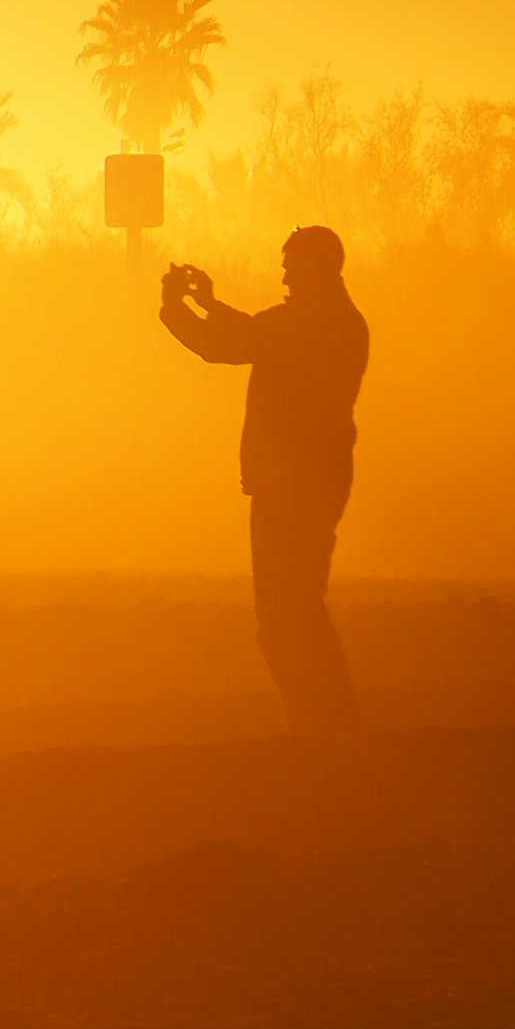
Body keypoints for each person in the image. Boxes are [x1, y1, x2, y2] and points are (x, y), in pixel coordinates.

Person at [160, 225, 370, 734]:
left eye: (291, 266)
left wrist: (174, 309)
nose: (284, 276)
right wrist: (209, 303)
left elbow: (230, 344)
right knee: (299, 608)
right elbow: (257, 334)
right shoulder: (340, 322)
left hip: (289, 487)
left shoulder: (305, 324)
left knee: (284, 615)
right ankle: (327, 725)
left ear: (317, 267)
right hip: (314, 480)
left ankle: (320, 726)